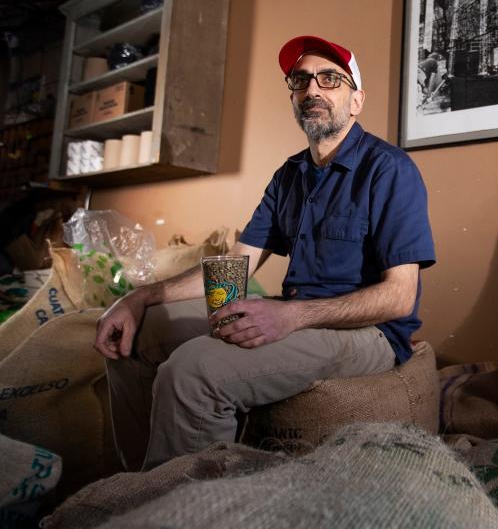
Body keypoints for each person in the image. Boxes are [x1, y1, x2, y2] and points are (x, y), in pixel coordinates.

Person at [93, 36, 436, 471]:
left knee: (194, 370)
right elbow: (236, 266)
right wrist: (139, 297)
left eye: (330, 79)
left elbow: (400, 297)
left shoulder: (390, 169)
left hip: (369, 332)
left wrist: (291, 317)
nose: (312, 89)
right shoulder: (289, 175)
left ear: (356, 100)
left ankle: (186, 509)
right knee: (139, 333)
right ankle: (141, 483)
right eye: (300, 80)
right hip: (299, 313)